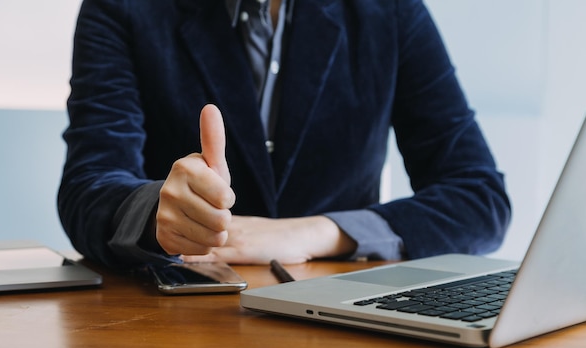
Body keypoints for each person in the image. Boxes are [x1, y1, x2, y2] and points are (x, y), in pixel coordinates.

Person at [58, 0, 511, 269]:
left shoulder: (388, 9)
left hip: (339, 321)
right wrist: (158, 213)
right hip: (177, 319)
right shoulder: (121, 7)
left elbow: (478, 198)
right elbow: (87, 187)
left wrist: (318, 233)